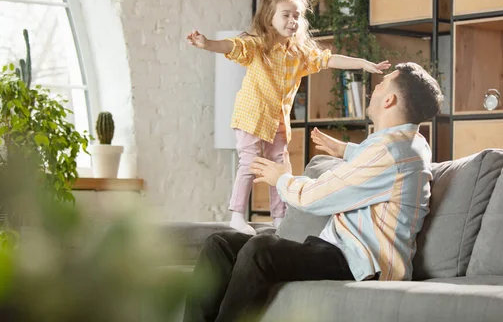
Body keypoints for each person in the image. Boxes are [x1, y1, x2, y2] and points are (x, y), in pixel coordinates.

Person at [183, 62, 444, 322]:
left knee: (260, 249)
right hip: (336, 250)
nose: (375, 88)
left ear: (389, 100)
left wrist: (281, 179)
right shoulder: (410, 143)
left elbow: (316, 197)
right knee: (221, 244)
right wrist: (347, 151)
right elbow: (379, 169)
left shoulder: (392, 152)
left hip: (363, 263)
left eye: (382, 83)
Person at [186, 0, 390, 235]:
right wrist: (207, 44)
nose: (292, 21)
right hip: (252, 116)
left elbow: (329, 59)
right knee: (250, 163)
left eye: (297, 16)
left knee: (280, 167)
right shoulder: (257, 46)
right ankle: (237, 216)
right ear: (269, 17)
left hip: (278, 120)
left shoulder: (299, 54)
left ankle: (278, 217)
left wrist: (361, 64)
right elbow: (231, 46)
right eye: (286, 15)